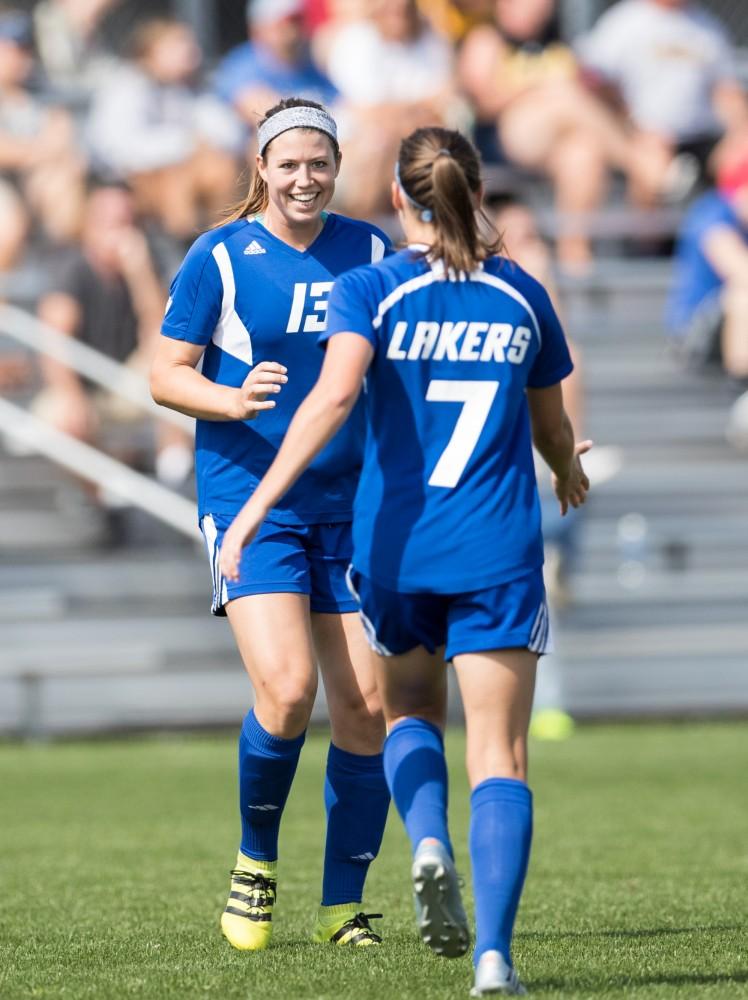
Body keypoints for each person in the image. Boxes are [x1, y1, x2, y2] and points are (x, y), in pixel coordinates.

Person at [218, 125, 590, 995]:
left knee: (408, 714)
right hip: (496, 550)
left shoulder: (371, 288)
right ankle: (494, 957)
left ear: (396, 198)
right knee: (498, 754)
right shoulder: (522, 295)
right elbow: (552, 427)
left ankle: (426, 839)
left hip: (395, 552)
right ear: (476, 193)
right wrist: (568, 468)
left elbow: (334, 395)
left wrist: (255, 507)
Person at [149, 97, 391, 952]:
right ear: (262, 167)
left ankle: (342, 906)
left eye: (318, 163)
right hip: (250, 500)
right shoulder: (220, 255)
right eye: (288, 163)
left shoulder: (369, 250)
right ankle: (256, 863)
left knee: (367, 709)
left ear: (336, 166)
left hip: (352, 509)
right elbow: (165, 372)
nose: (304, 178)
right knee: (288, 691)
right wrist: (229, 397)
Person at [577, 0, 748, 209]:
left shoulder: (707, 25)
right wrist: (632, 128)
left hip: (702, 139)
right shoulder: (626, 20)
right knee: (649, 169)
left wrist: (738, 134)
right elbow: (594, 82)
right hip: (644, 137)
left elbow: (726, 91)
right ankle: (649, 241)